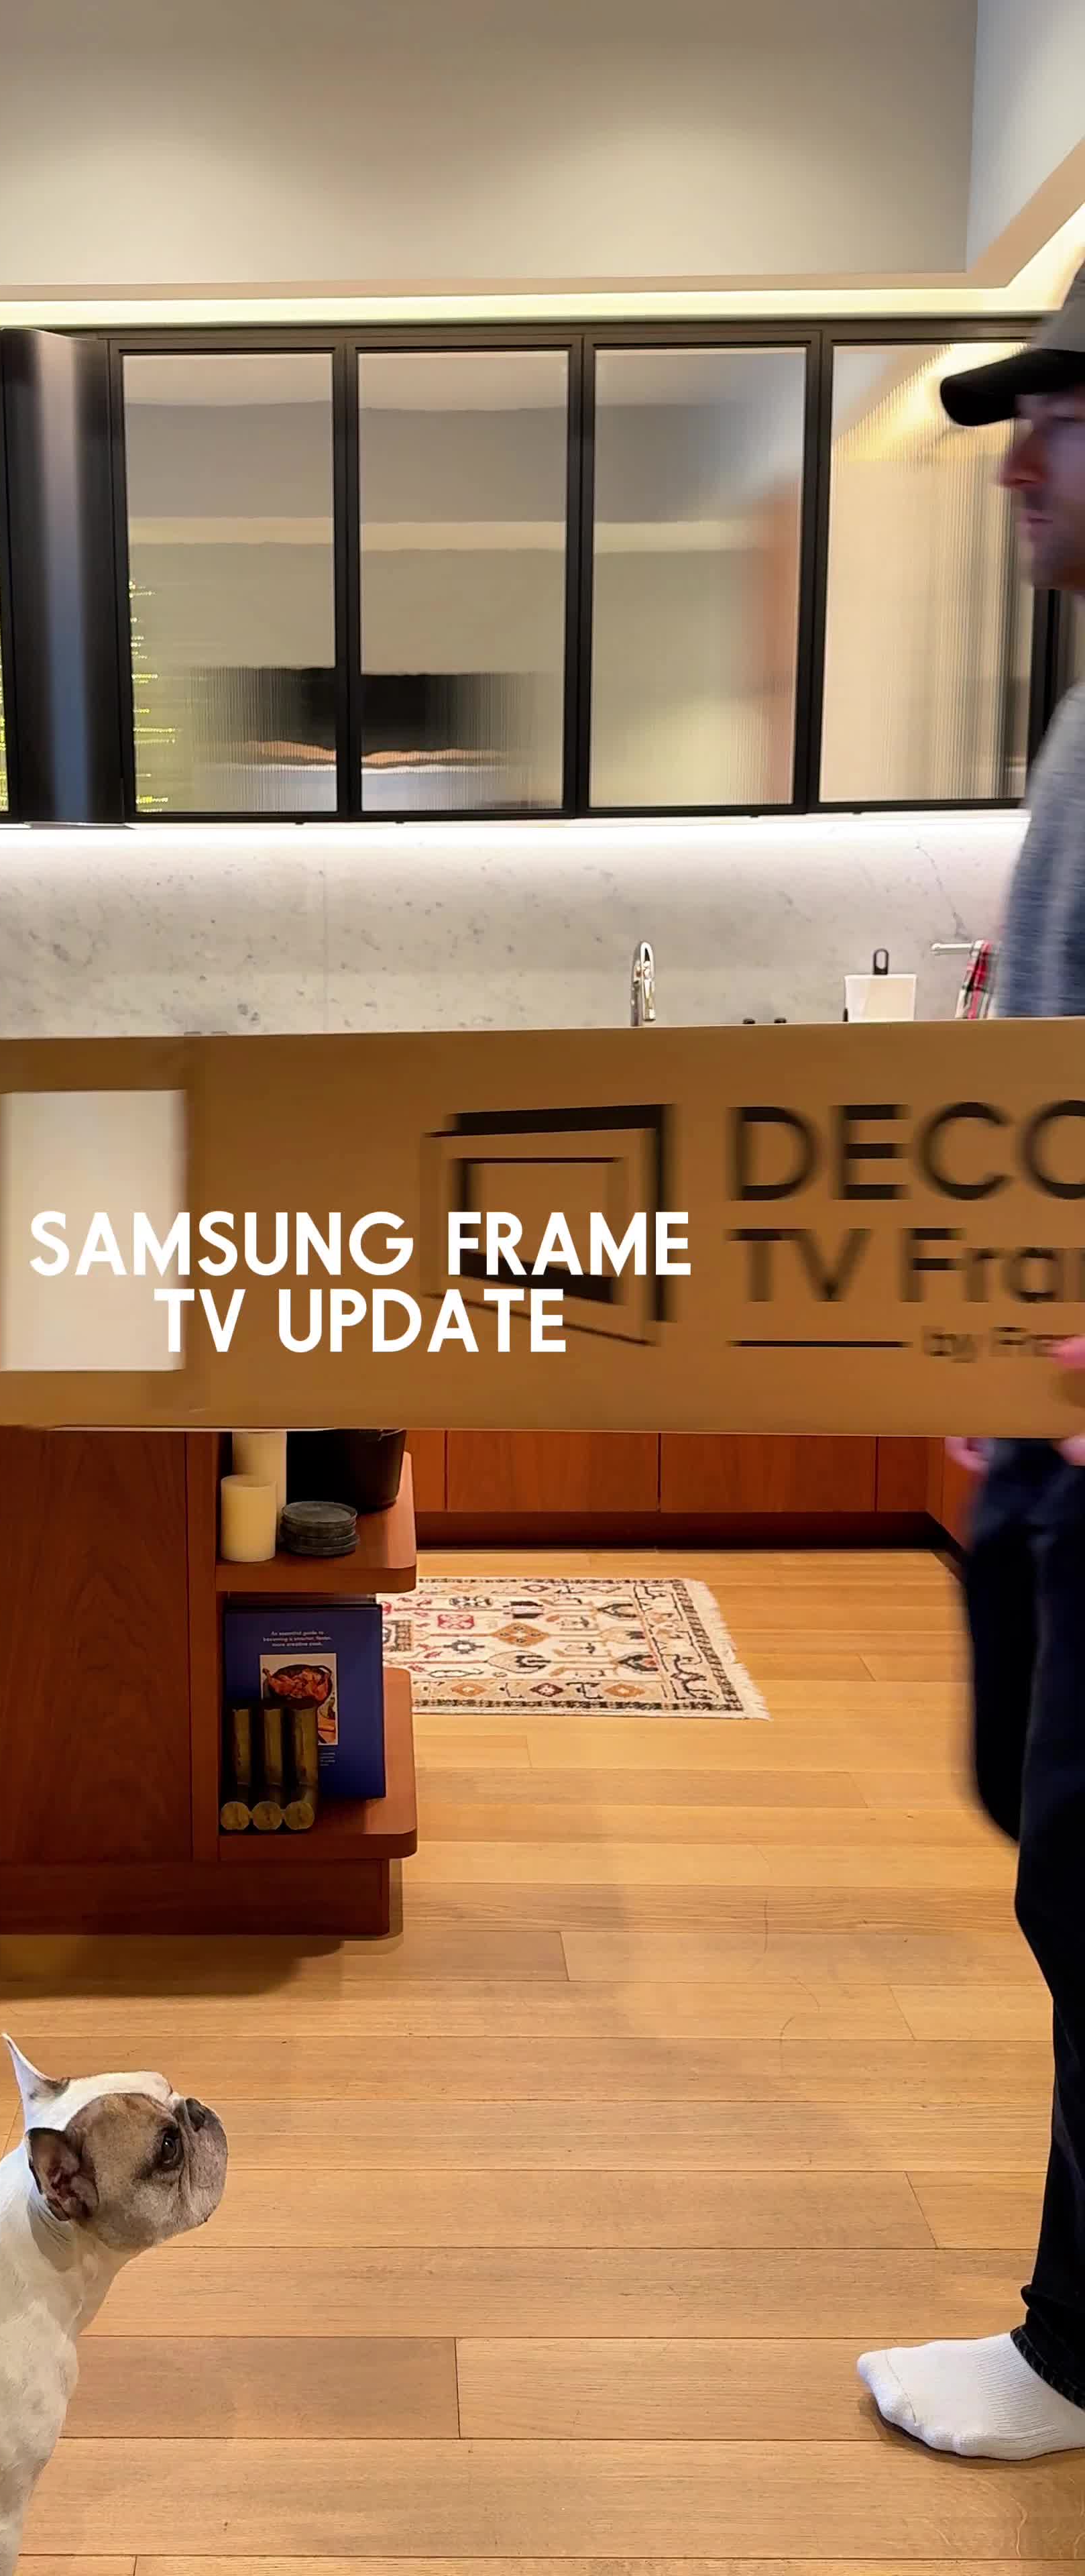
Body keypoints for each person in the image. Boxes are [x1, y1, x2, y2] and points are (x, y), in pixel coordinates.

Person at [857, 260, 1085, 2460]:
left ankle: (1075, 2349)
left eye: (1062, 421)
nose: (1017, 466)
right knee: (1055, 1845)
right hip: (1054, 1419)